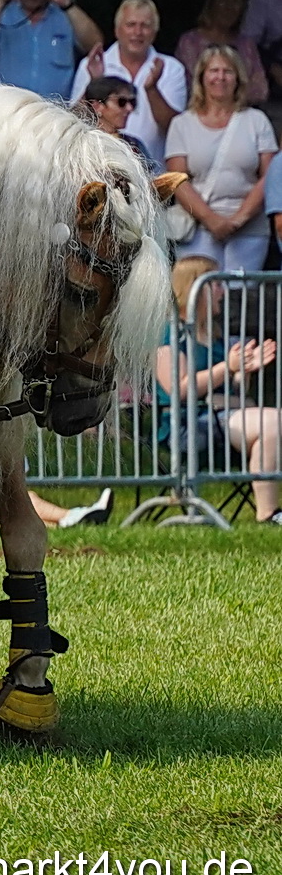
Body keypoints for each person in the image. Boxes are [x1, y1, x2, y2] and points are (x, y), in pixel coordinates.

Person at [157, 255, 282, 523]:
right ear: (195, 287)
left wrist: (242, 370)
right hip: (191, 425)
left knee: (273, 421)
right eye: (215, 284)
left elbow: (234, 389)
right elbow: (177, 390)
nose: (223, 290)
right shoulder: (168, 333)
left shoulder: (213, 333)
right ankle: (268, 513)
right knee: (272, 422)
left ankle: (270, 508)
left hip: (225, 416)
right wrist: (228, 366)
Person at [166, 45, 276, 272]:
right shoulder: (182, 124)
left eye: (228, 71)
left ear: (238, 78)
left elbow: (270, 175)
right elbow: (177, 179)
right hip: (198, 227)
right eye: (214, 71)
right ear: (202, 78)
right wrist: (212, 220)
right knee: (199, 298)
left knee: (239, 299)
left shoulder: (257, 120)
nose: (221, 77)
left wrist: (238, 219)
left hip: (250, 229)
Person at [69, 0, 189, 168]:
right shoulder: (93, 64)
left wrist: (152, 89)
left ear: (155, 32)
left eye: (145, 26)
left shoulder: (171, 68)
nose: (137, 32)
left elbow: (173, 127)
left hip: (152, 175)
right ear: (117, 30)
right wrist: (95, 83)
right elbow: (75, 120)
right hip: (99, 170)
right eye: (131, 25)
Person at [177, 0, 269, 106]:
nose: (229, 7)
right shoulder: (190, 42)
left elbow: (260, 90)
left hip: (241, 112)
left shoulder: (247, 44)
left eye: (235, 2)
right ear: (211, 5)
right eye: (223, 1)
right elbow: (191, 85)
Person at [78, 75, 150, 169]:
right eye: (121, 102)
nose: (129, 108)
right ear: (97, 106)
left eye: (132, 102)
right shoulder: (82, 144)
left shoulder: (135, 145)